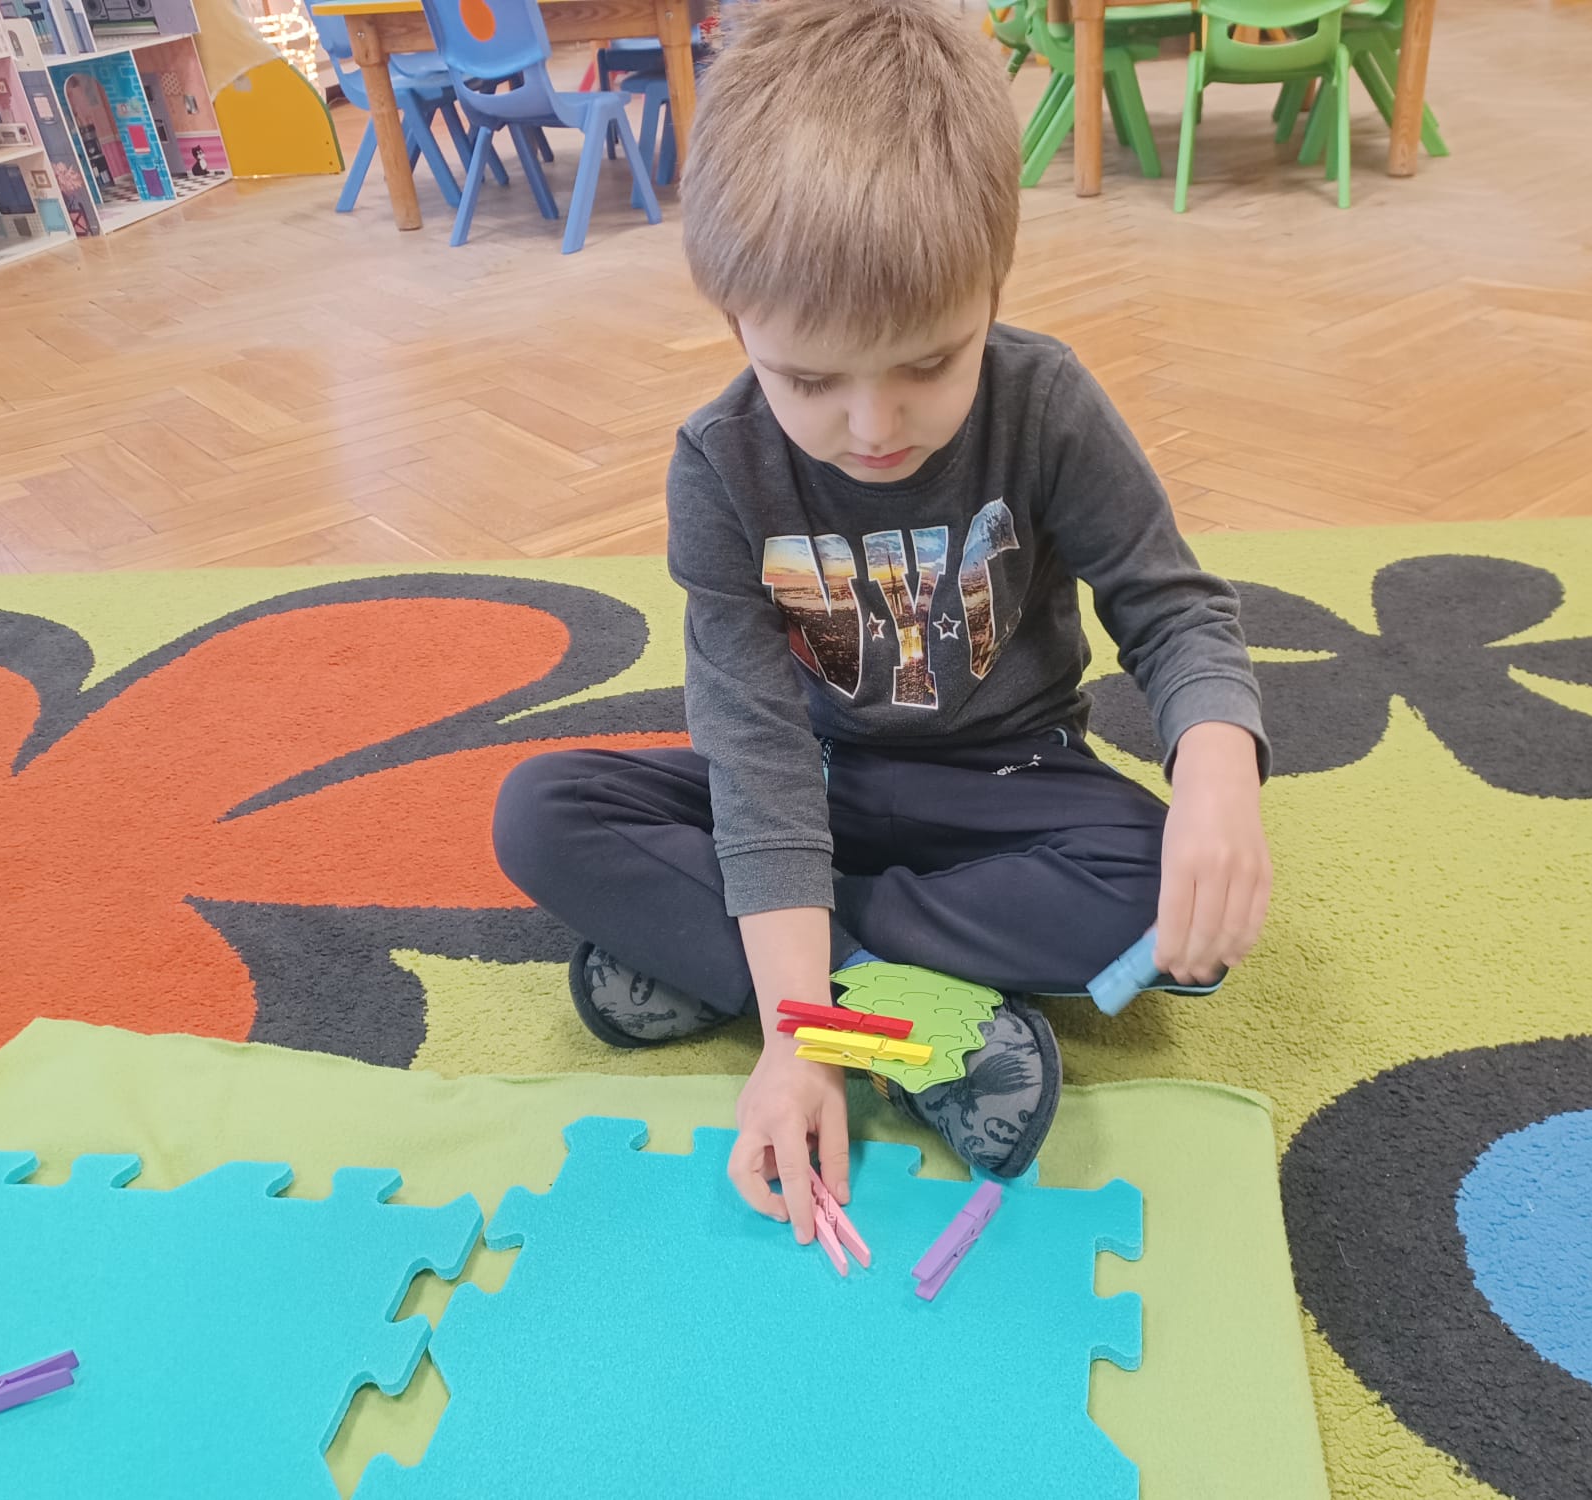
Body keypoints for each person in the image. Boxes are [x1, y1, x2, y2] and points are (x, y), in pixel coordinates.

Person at [494, 0, 1270, 1248]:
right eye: (808, 380)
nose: (871, 426)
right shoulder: (718, 464)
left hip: (1010, 779)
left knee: (1159, 891)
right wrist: (804, 1039)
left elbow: (1169, 607)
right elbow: (752, 755)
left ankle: (733, 958)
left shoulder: (1046, 403)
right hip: (814, 783)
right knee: (542, 809)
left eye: (928, 363)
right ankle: (883, 1017)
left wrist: (1218, 778)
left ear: (991, 290)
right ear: (734, 323)